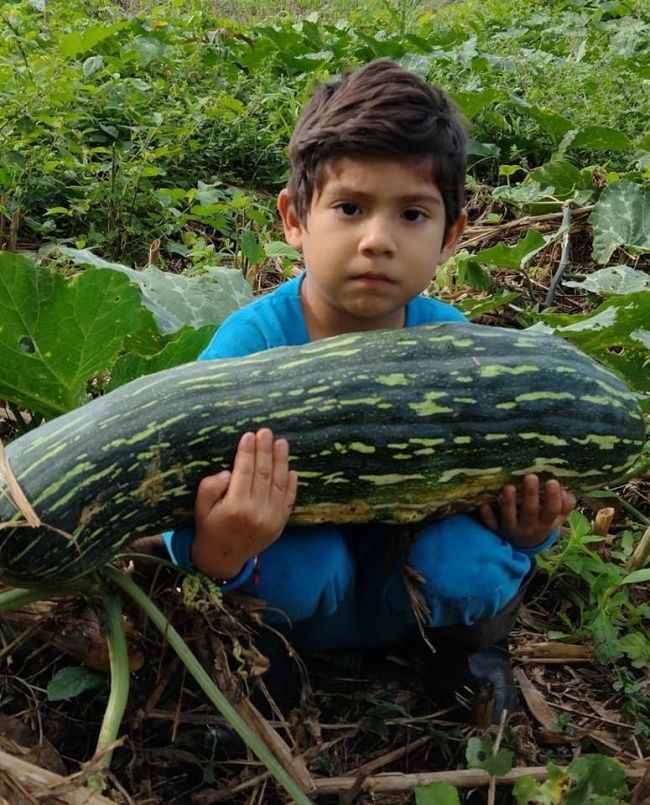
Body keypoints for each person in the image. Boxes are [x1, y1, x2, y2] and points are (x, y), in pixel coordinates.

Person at [163, 59, 576, 724]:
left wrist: (530, 533)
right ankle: (267, 662)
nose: (378, 240)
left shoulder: (458, 350)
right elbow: (174, 482)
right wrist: (218, 542)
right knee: (302, 560)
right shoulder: (249, 348)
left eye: (412, 213)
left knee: (470, 560)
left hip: (412, 586)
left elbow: (511, 471)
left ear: (452, 235)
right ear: (295, 219)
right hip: (298, 590)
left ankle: (469, 650)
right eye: (350, 208)